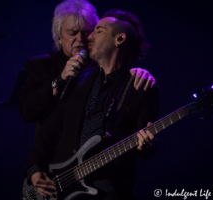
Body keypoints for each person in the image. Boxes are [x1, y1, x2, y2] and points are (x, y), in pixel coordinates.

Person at [27, 9, 159, 200]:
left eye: (98, 30)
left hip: (110, 191)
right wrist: (35, 167)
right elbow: (50, 128)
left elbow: (147, 144)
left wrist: (146, 145)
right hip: (64, 187)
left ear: (119, 39)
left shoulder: (140, 86)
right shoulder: (80, 79)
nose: (89, 36)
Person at [19, 0, 156, 137]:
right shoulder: (42, 65)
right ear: (59, 37)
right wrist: (59, 80)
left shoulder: (98, 67)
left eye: (86, 32)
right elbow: (27, 112)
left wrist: (135, 74)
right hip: (47, 155)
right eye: (73, 33)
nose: (81, 39)